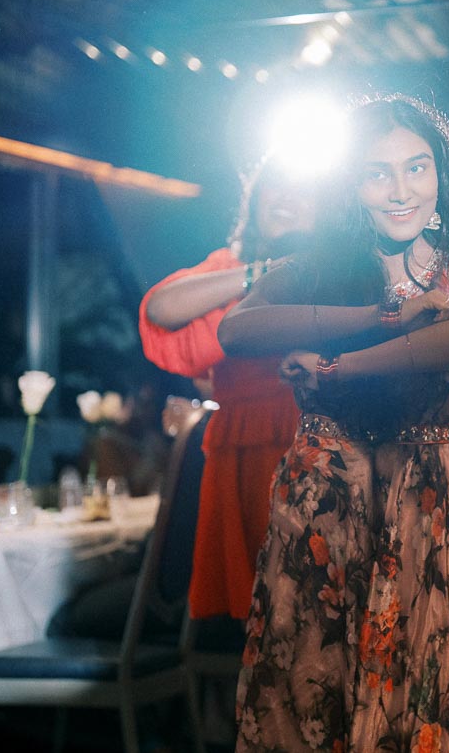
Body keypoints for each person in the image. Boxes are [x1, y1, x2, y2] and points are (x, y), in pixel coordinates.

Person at [217, 94, 449, 751]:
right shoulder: (319, 268)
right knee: (309, 680)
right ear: (352, 185)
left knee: (421, 684)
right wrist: (380, 320)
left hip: (425, 500)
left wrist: (341, 369)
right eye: (378, 173)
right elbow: (236, 329)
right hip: (324, 498)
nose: (401, 191)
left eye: (416, 168)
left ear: (441, 177)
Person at [139, 155, 319, 621]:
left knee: (310, 608)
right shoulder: (231, 269)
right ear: (254, 200)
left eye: (303, 189)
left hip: (313, 442)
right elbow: (161, 308)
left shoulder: (334, 270)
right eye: (276, 185)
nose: (286, 198)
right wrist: (262, 273)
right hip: (241, 451)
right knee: (246, 616)